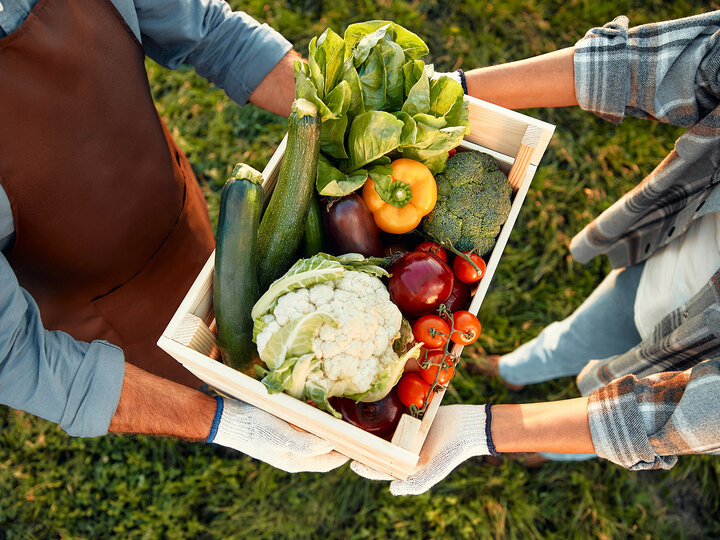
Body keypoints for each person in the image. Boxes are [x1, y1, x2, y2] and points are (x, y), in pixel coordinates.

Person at [352, 10, 720, 495]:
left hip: (698, 354)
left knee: (606, 415)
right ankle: (514, 369)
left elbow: (680, 418)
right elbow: (681, 61)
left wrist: (482, 433)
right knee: (574, 336)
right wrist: (450, 91)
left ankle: (541, 447)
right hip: (674, 253)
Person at [0, 0, 348, 474]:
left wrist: (343, 119)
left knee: (222, 305)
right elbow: (15, 354)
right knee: (188, 372)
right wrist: (228, 423)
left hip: (172, 209)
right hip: (101, 306)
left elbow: (210, 31)